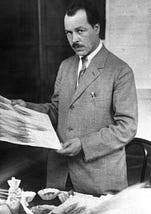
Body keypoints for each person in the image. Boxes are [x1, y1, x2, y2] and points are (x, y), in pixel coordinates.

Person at [12, 0, 138, 195]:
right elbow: (56, 110)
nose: (74, 40)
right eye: (69, 33)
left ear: (96, 28)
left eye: (80, 31)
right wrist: (27, 108)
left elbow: (127, 128)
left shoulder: (120, 71)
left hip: (98, 182)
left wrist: (83, 144)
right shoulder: (66, 66)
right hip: (60, 176)